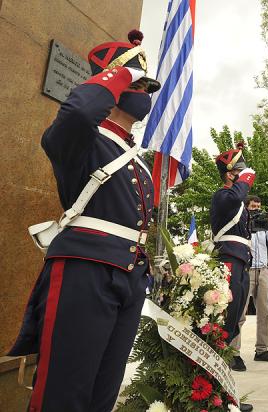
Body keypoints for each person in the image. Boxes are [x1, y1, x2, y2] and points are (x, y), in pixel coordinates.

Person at [9, 31, 159, 412]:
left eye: (144, 85)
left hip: (128, 274)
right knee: (65, 391)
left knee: (102, 393)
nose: (144, 93)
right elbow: (77, 111)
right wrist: (121, 72)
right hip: (86, 269)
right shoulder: (82, 138)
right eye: (137, 84)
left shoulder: (137, 159)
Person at [229, 195, 268, 372]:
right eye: (253, 206)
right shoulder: (240, 223)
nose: (256, 209)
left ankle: (262, 350)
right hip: (246, 270)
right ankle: (233, 353)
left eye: (258, 206)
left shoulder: (264, 224)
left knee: (264, 312)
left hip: (263, 270)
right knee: (240, 313)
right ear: (246, 207)